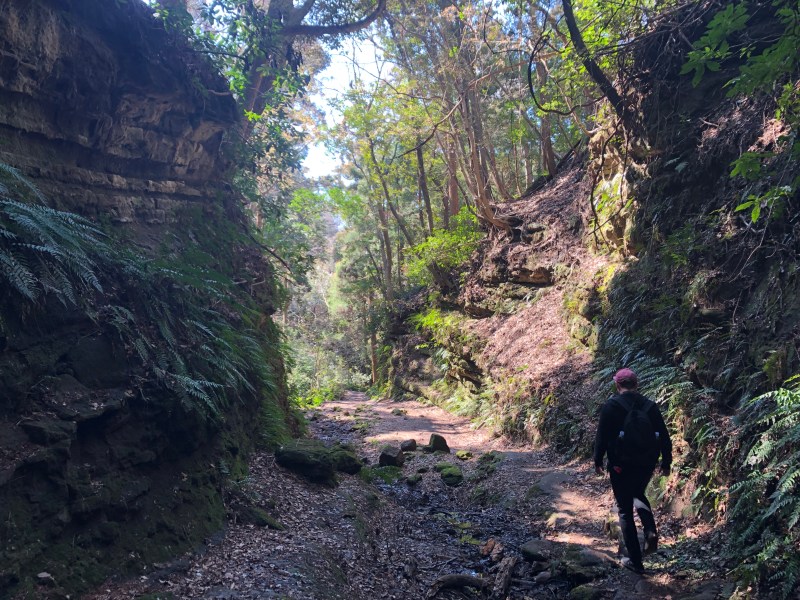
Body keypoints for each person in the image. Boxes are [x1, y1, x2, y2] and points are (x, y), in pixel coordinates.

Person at [593, 368, 672, 574]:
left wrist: (598, 460)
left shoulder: (611, 406)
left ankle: (635, 562)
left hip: (620, 465)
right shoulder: (649, 406)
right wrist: (666, 463)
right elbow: (664, 436)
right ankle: (650, 529)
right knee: (638, 493)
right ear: (636, 384)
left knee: (625, 509)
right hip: (646, 463)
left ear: (618, 385)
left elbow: (602, 436)